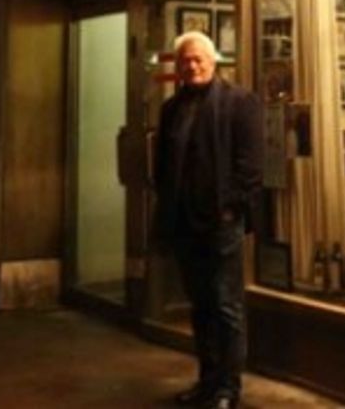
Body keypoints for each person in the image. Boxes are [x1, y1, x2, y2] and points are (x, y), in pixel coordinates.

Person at [152, 32, 263, 409]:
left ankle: (228, 389)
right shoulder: (172, 108)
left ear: (214, 61)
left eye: (198, 59)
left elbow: (251, 168)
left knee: (226, 305)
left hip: (221, 222)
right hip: (183, 221)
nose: (192, 66)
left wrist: (230, 209)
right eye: (185, 61)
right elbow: (162, 164)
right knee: (199, 306)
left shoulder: (240, 102)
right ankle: (207, 380)